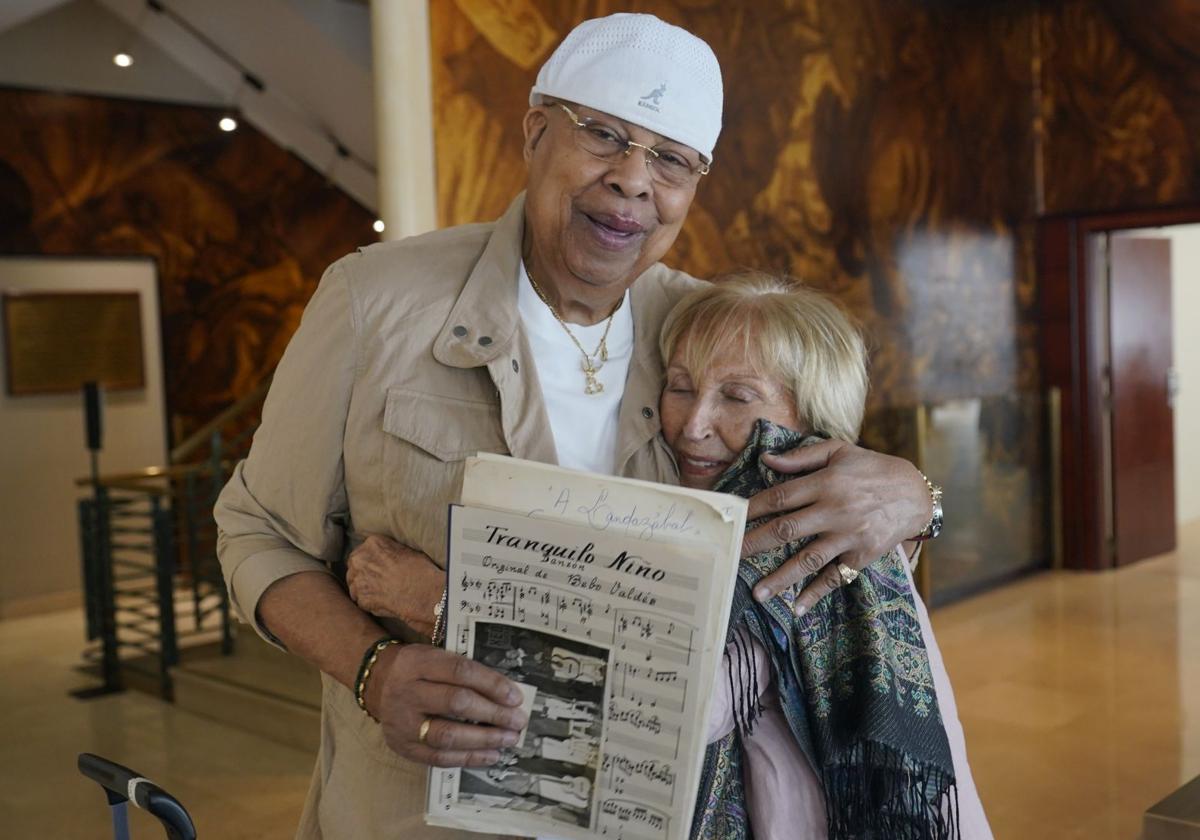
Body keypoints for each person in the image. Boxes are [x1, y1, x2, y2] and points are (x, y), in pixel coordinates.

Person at [215, 13, 938, 840]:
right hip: (418, 813)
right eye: (603, 135)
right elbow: (254, 532)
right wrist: (372, 667)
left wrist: (917, 493)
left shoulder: (701, 329)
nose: (633, 180)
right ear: (534, 132)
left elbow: (808, 532)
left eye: (670, 159)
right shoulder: (374, 302)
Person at [655, 272, 991, 839]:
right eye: (680, 387)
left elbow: (686, 706)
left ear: (809, 414)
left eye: (736, 396)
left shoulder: (804, 520)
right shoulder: (859, 503)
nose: (693, 425)